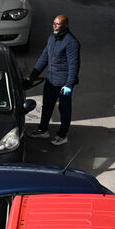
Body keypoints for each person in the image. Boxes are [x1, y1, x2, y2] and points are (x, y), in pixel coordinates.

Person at [27, 14, 81, 146]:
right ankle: (43, 130)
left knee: (64, 109)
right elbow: (44, 58)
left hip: (63, 83)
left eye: (58, 24)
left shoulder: (71, 42)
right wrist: (32, 76)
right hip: (51, 80)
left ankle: (62, 135)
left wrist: (69, 85)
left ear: (65, 25)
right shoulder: (52, 38)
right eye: (54, 23)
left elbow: (74, 66)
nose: (55, 26)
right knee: (47, 106)